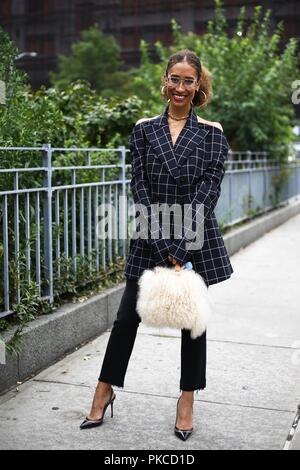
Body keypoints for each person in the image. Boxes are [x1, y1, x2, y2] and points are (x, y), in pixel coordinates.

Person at [80, 49, 234, 441]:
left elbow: (208, 192)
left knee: (192, 323)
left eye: (188, 80)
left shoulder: (213, 134)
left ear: (198, 85)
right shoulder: (144, 129)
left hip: (194, 239)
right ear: (165, 81)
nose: (180, 87)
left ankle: (187, 399)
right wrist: (162, 241)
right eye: (175, 78)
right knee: (125, 319)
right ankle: (104, 389)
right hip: (149, 236)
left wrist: (179, 248)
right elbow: (139, 187)